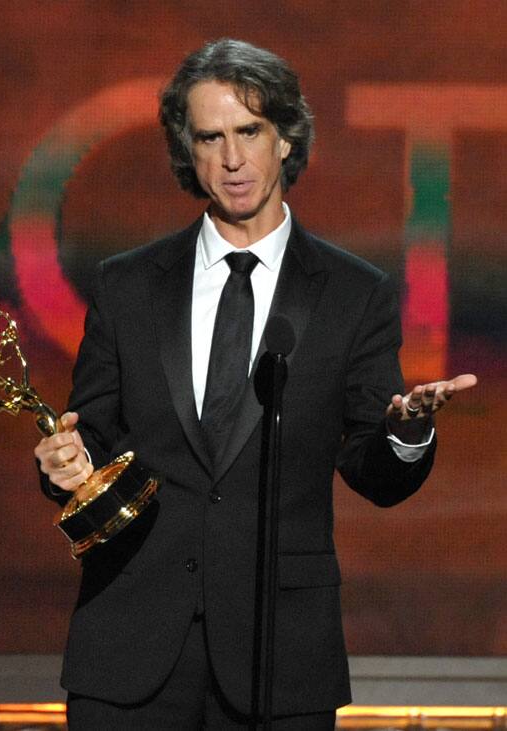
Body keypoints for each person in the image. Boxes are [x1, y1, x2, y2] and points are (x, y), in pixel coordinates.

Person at [35, 39, 477, 730]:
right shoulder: (127, 285)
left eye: (249, 132)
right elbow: (89, 435)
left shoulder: (353, 294)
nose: (232, 159)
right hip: (129, 650)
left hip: (281, 653)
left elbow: (375, 470)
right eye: (210, 137)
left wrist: (408, 429)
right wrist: (67, 462)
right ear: (187, 148)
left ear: (287, 139)